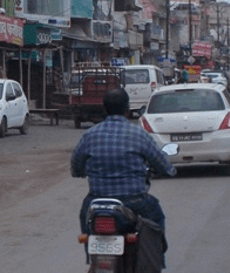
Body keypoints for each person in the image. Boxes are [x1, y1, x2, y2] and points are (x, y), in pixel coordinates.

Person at [70, 88, 176, 253]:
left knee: (86, 221)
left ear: (104, 109)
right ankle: (156, 261)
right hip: (134, 201)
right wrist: (168, 170)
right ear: (127, 110)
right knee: (157, 218)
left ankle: (91, 256)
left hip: (97, 201)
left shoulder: (90, 135)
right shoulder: (139, 134)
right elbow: (161, 162)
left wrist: (80, 172)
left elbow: (76, 165)